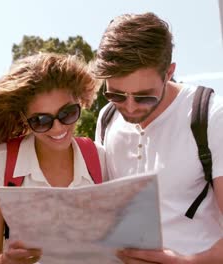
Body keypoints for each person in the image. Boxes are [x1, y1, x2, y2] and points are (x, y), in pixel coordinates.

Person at [91, 12, 223, 263]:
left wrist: (187, 262)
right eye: (116, 94)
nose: (129, 107)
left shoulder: (212, 116)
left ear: (169, 72)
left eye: (144, 96)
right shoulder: (107, 118)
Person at [0, 53, 106, 264]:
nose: (58, 127)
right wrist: (5, 261)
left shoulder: (99, 158)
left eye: (67, 113)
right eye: (41, 120)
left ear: (80, 102)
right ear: (24, 119)